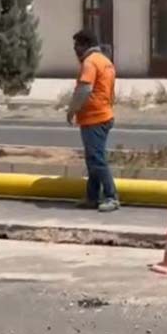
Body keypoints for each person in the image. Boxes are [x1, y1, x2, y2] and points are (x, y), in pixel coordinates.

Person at [66, 30, 119, 212]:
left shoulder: (90, 63)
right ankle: (92, 197)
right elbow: (110, 91)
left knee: (97, 159)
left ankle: (111, 197)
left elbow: (84, 89)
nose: (75, 51)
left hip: (94, 118)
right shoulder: (106, 62)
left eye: (76, 46)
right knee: (92, 160)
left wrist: (71, 110)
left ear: (84, 45)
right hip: (104, 115)